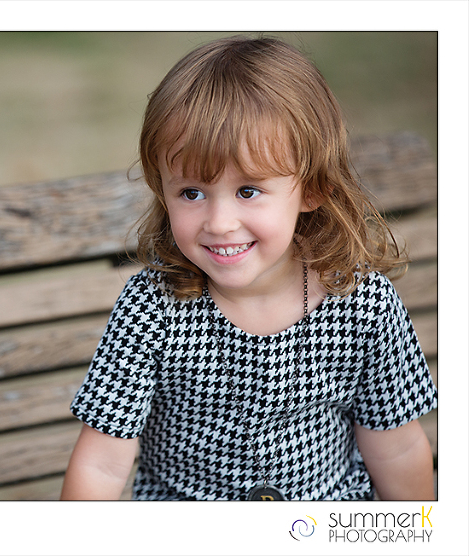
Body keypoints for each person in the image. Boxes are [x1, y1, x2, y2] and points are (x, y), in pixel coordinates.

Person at [60, 35, 437, 501]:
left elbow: (397, 450)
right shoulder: (153, 308)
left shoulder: (363, 305)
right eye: (192, 193)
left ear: (312, 189)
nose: (219, 223)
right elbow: (101, 463)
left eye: (248, 191)